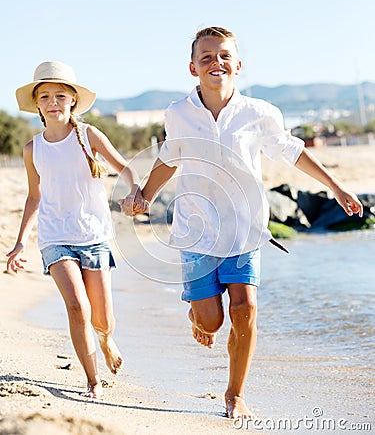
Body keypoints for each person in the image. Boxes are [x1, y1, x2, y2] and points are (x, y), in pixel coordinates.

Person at [120, 26, 363, 419]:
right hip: (197, 230)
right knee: (211, 323)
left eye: (224, 55)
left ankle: (235, 394)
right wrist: (145, 195)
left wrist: (335, 187)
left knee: (245, 306)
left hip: (245, 228)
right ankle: (197, 313)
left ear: (238, 64)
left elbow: (293, 152)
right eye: (206, 57)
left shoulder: (260, 114)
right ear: (193, 68)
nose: (216, 62)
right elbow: (169, 157)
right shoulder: (179, 113)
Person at [7, 60, 147, 400]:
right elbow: (34, 196)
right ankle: (92, 380)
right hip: (55, 237)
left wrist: (133, 190)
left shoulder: (89, 136)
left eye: (59, 95)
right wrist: (20, 242)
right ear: (37, 104)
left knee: (103, 317)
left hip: (94, 235)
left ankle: (105, 340)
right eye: (45, 96)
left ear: (72, 100)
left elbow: (125, 168)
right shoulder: (32, 149)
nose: (52, 102)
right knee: (77, 307)